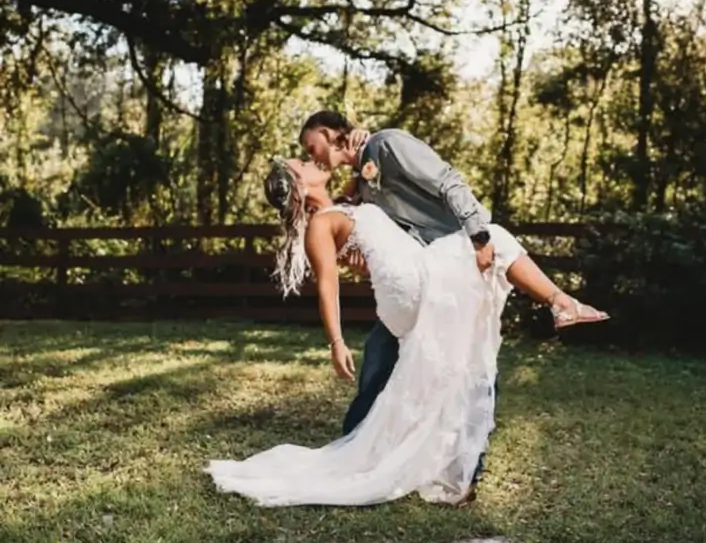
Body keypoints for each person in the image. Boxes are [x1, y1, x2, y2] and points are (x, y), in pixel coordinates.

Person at [204, 155, 607, 509]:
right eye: (303, 164)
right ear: (299, 185)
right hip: (410, 285)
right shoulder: (319, 225)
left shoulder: (343, 206)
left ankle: (454, 468)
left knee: (456, 365)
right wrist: (336, 341)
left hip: (408, 280)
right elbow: (328, 282)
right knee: (493, 237)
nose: (311, 162)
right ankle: (561, 302)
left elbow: (372, 206)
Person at [298, 110, 608, 494]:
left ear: (329, 134)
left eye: (312, 147)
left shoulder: (389, 144)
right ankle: (358, 448)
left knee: (471, 360)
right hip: (422, 275)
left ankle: (467, 465)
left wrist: (478, 235)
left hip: (457, 260)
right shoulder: (362, 184)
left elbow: (447, 179)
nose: (312, 157)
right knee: (381, 366)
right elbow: (363, 228)